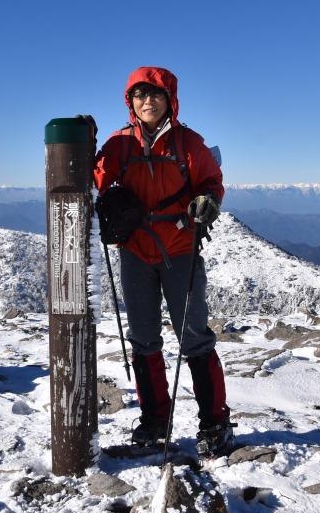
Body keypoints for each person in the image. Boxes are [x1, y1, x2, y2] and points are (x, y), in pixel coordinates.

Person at [93, 66, 234, 457]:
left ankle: (215, 423)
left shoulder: (189, 144)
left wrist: (209, 201)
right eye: (139, 95)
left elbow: (211, 182)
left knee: (194, 339)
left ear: (169, 99)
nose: (147, 102)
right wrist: (85, 149)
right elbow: (97, 181)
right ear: (130, 102)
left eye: (154, 94)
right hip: (136, 252)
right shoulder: (120, 145)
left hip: (179, 248)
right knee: (143, 339)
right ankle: (156, 420)